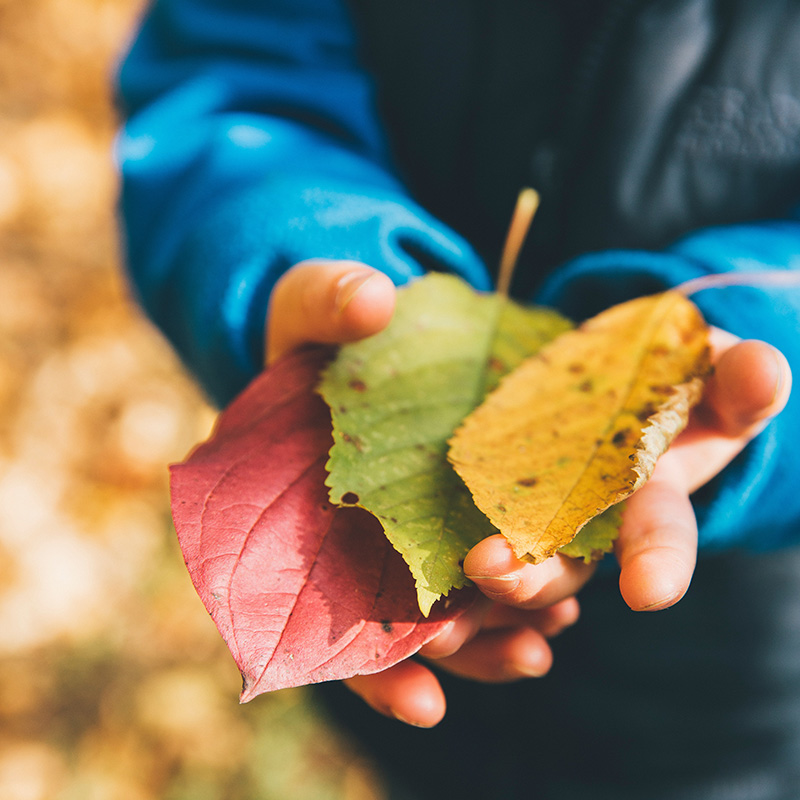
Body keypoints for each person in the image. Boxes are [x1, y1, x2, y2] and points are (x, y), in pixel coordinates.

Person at [116, 0, 800, 796]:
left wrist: (746, 339)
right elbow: (229, 81)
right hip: (416, 683)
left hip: (733, 683)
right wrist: (290, 250)